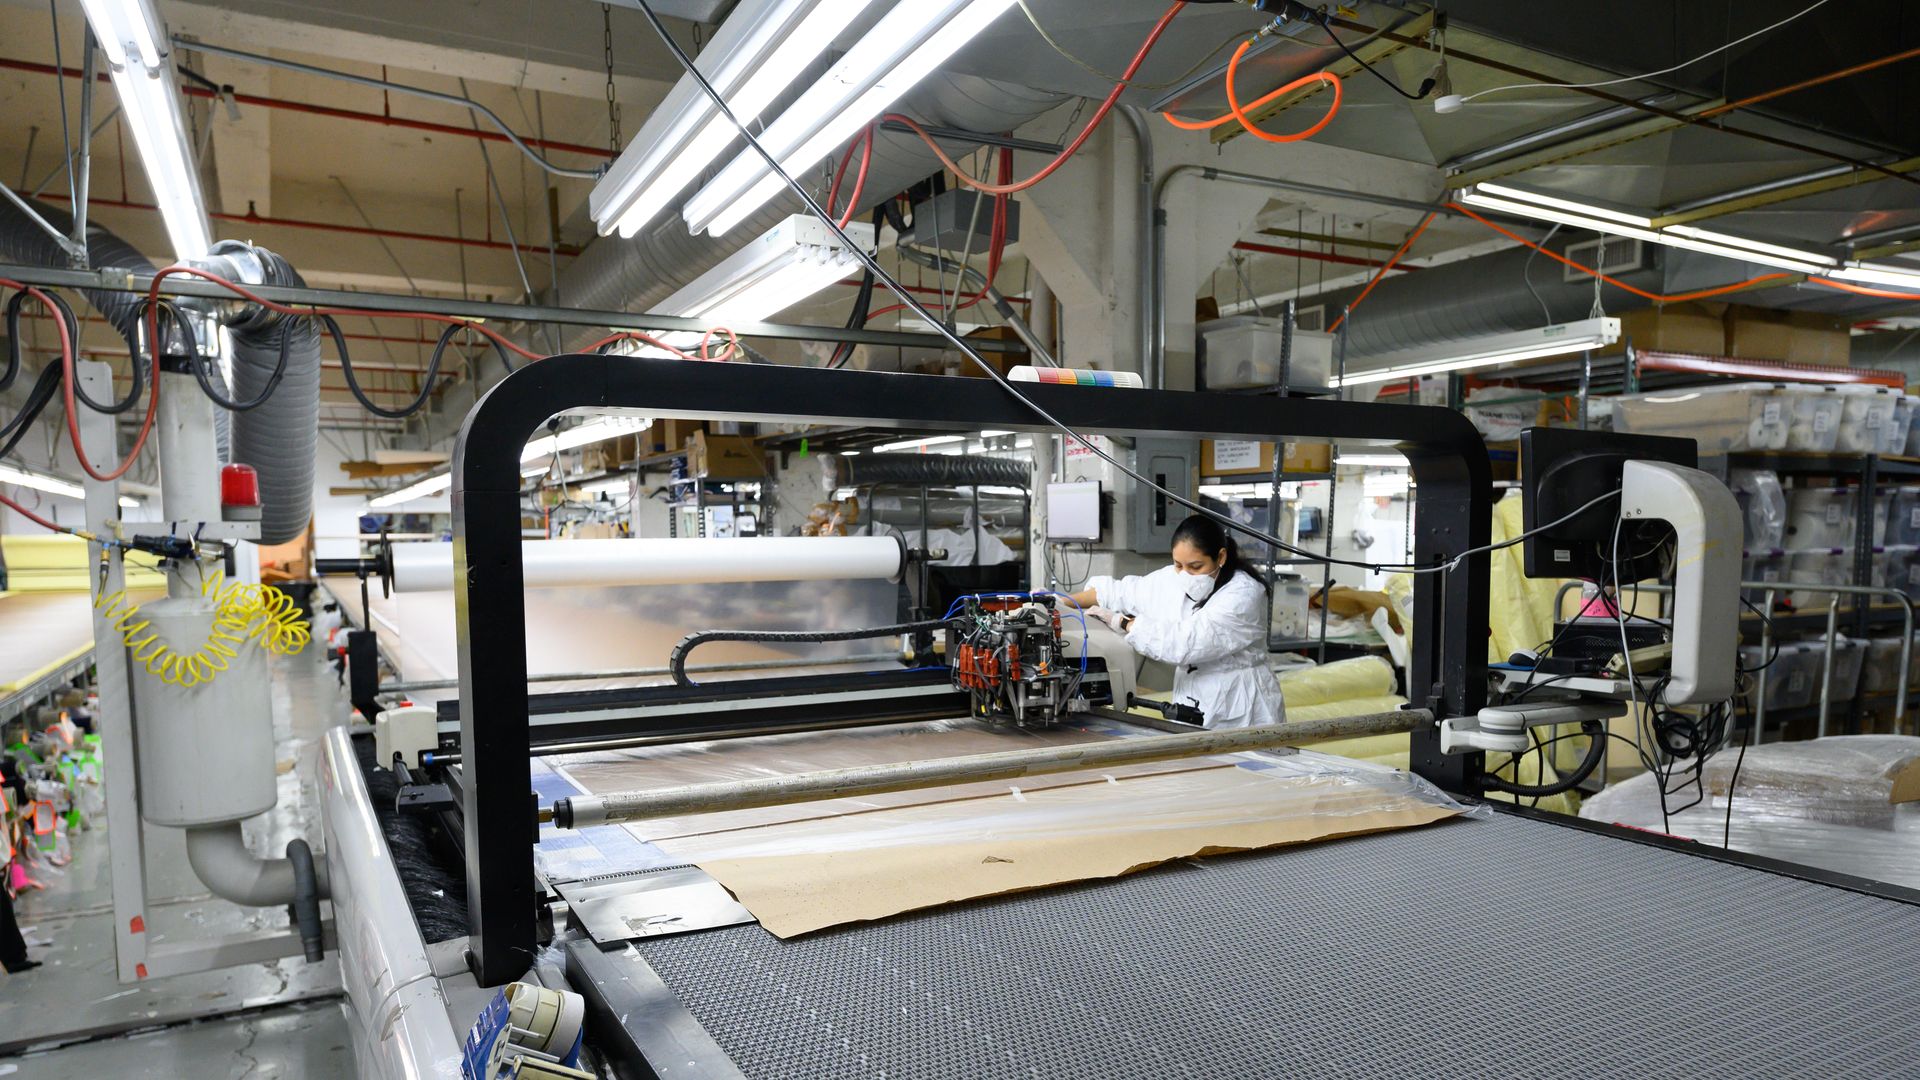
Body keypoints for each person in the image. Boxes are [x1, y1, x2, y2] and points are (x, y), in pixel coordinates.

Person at [1068, 514, 1285, 729]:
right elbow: (1120, 592)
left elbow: (1186, 643)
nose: (1185, 575)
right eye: (1178, 565)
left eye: (1196, 566)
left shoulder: (1244, 594)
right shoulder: (1172, 579)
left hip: (1241, 706)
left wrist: (1124, 623)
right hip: (1193, 699)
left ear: (1221, 557)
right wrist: (1061, 602)